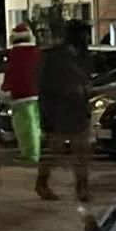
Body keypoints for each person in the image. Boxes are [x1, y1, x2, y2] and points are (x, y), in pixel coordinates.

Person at [36, 18, 94, 202]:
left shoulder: (84, 56)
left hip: (78, 112)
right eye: (84, 33)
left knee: (82, 153)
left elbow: (86, 79)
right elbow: (44, 85)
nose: (86, 37)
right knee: (53, 152)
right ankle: (42, 183)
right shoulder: (54, 56)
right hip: (57, 112)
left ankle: (82, 188)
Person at [3, 23, 42, 164]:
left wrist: (5, 87)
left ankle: (30, 154)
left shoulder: (13, 54)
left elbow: (11, 73)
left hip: (20, 95)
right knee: (34, 124)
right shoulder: (37, 52)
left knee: (24, 127)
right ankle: (35, 152)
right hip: (37, 92)